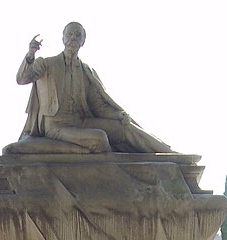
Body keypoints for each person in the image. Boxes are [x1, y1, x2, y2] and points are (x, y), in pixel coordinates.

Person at [16, 22, 173, 153]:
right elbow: (23, 79)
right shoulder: (47, 64)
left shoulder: (86, 72)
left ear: (83, 41)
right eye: (70, 34)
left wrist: (117, 114)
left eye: (78, 35)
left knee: (124, 127)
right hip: (56, 125)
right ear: (63, 38)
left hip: (81, 121)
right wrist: (30, 54)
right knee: (100, 138)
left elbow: (99, 107)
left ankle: (168, 154)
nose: (73, 38)